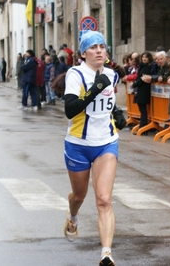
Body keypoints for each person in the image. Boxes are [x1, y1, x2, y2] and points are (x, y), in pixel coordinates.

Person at [62, 30, 119, 266]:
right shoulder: (75, 74)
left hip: (106, 141)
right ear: (83, 53)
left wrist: (118, 114)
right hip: (78, 144)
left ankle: (106, 253)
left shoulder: (112, 74)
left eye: (102, 47)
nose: (98, 51)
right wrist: (95, 88)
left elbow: (107, 105)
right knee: (79, 195)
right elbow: (70, 109)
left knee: (104, 199)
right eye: (93, 47)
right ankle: (72, 216)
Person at [132, 51, 153, 129]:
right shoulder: (142, 66)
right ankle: (142, 125)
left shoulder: (148, 67)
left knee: (143, 110)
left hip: (144, 90)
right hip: (140, 89)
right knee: (141, 109)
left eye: (146, 57)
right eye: (143, 57)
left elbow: (142, 79)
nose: (144, 59)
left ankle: (143, 126)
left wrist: (134, 84)